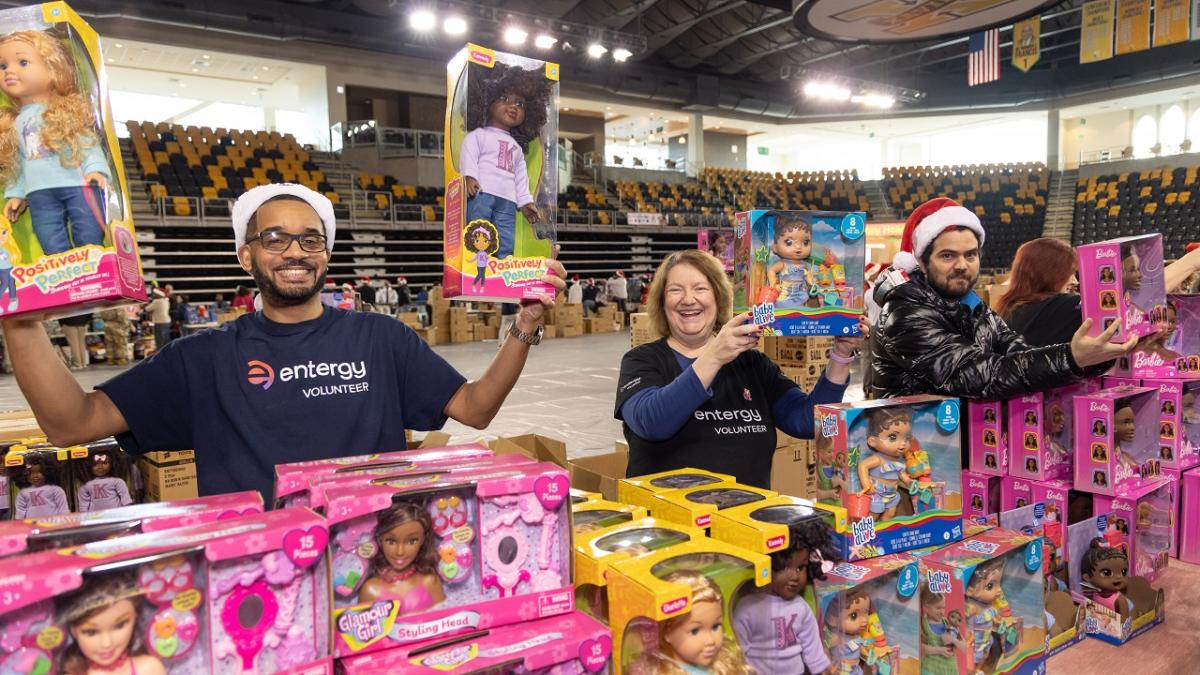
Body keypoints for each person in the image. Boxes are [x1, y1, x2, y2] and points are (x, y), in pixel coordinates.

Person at [2, 183, 566, 501]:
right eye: (273, 238)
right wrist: (18, 322)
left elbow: (476, 408)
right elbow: (71, 424)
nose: (294, 252)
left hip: (376, 554)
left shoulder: (380, 338)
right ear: (245, 256)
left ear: (326, 253)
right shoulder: (203, 356)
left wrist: (525, 322)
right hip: (262, 569)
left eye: (309, 239)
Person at [615, 250, 866, 488]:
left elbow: (809, 423)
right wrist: (714, 356)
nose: (688, 299)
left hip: (745, 524)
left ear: (718, 297)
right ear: (661, 302)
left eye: (700, 288)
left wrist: (841, 355)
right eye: (675, 290)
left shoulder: (752, 365)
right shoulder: (641, 361)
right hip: (674, 528)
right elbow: (653, 422)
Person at [870, 198, 1134, 400]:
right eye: (948, 256)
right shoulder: (905, 314)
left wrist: (1094, 357)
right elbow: (979, 375)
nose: (962, 265)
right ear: (922, 264)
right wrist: (1070, 357)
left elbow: (1018, 352)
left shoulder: (971, 305)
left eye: (970, 255)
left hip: (970, 452)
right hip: (918, 455)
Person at [998, 237, 1200, 347]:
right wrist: (1191, 262)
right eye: (1069, 273)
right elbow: (1146, 295)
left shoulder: (1014, 308)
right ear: (1049, 273)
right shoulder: (1055, 308)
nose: (1075, 281)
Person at [147, 286, 171, 350]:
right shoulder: (166, 301)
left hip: (160, 322)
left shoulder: (157, 301)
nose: (153, 295)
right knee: (166, 339)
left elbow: (147, 309)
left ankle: (160, 356)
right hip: (167, 322)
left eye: (155, 294)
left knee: (159, 340)